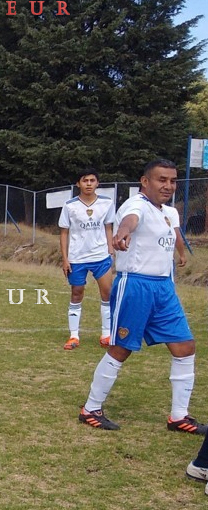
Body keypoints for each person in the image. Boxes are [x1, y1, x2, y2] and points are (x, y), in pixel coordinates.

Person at [78, 159, 205, 434]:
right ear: (145, 182)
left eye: (173, 181)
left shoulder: (169, 212)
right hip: (135, 286)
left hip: (164, 288)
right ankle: (91, 409)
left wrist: (181, 253)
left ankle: (179, 416)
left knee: (185, 347)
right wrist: (123, 233)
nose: (168, 185)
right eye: (162, 180)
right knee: (121, 349)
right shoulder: (135, 204)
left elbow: (174, 234)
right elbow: (129, 221)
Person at [58, 170, 115, 350]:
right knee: (77, 293)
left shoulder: (107, 203)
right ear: (78, 184)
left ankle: (106, 334)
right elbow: (64, 232)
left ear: (97, 183)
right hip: (77, 258)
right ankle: (74, 336)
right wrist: (65, 259)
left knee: (107, 294)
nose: (89, 184)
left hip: (100, 256)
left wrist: (110, 250)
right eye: (85, 180)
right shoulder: (70, 206)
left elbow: (108, 227)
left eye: (92, 180)